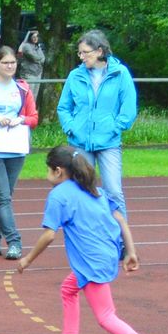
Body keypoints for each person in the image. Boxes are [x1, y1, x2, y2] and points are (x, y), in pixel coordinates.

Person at [15, 144, 160, 334]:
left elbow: (49, 235)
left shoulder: (59, 196)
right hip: (106, 254)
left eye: (48, 169)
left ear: (58, 171)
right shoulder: (94, 190)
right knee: (68, 289)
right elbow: (121, 219)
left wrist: (27, 260)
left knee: (105, 316)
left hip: (91, 262)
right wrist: (131, 251)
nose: (46, 174)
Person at [55, 29, 138, 220]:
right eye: (79, 53)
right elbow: (64, 107)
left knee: (114, 191)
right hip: (80, 143)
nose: (81, 57)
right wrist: (71, 127)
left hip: (109, 143)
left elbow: (128, 108)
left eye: (85, 52)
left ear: (100, 51)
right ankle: (86, 233)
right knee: (82, 190)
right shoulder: (75, 75)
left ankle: (121, 235)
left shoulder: (120, 73)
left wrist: (115, 128)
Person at [0, 46, 39, 258]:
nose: (10, 66)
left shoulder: (23, 88)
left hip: (16, 148)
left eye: (13, 62)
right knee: (3, 197)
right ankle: (15, 242)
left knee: (4, 197)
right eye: (5, 63)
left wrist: (20, 120)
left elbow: (33, 118)